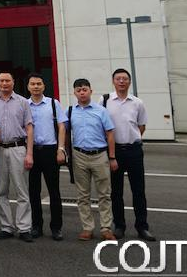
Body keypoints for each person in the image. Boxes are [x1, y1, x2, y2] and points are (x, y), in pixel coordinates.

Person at [104, 68, 155, 241]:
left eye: (125, 79)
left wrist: (132, 139)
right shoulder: (105, 100)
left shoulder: (137, 102)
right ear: (113, 81)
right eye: (118, 79)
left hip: (134, 150)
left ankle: (142, 227)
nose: (121, 81)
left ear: (129, 81)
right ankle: (119, 226)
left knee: (138, 191)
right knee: (116, 192)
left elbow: (141, 126)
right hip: (114, 151)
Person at [66, 78, 117, 241]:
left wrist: (112, 157)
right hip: (79, 155)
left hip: (100, 155)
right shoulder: (70, 111)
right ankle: (87, 228)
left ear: (90, 91)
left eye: (85, 89)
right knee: (83, 195)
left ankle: (106, 228)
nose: (82, 93)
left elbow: (110, 134)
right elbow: (65, 133)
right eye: (79, 90)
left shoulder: (101, 111)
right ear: (74, 93)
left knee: (104, 194)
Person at [0, 71, 34, 242]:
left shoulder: (23, 102)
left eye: (7, 80)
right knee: (2, 191)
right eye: (1, 80)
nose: (4, 83)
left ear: (13, 82)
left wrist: (29, 154)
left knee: (22, 190)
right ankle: (6, 227)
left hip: (18, 148)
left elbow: (29, 128)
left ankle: (24, 228)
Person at [26, 73, 67, 241]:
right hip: (32, 151)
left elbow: (62, 126)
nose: (36, 86)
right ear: (28, 87)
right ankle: (37, 226)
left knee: (54, 191)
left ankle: (56, 227)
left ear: (44, 86)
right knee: (33, 191)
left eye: (39, 83)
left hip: (50, 150)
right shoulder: (24, 105)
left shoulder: (53, 103)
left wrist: (61, 149)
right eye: (33, 84)